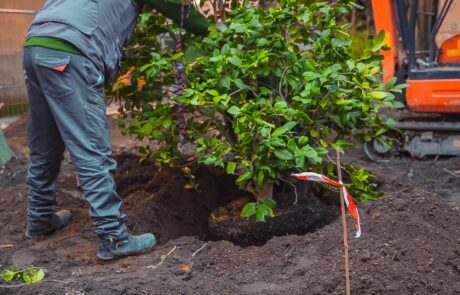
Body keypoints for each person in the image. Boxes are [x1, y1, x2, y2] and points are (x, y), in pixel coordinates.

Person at [23, 0, 209, 260]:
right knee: (92, 148)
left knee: (45, 144)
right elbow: (177, 9)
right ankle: (113, 237)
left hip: (37, 43)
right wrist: (217, 32)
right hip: (72, 50)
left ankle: (39, 220)